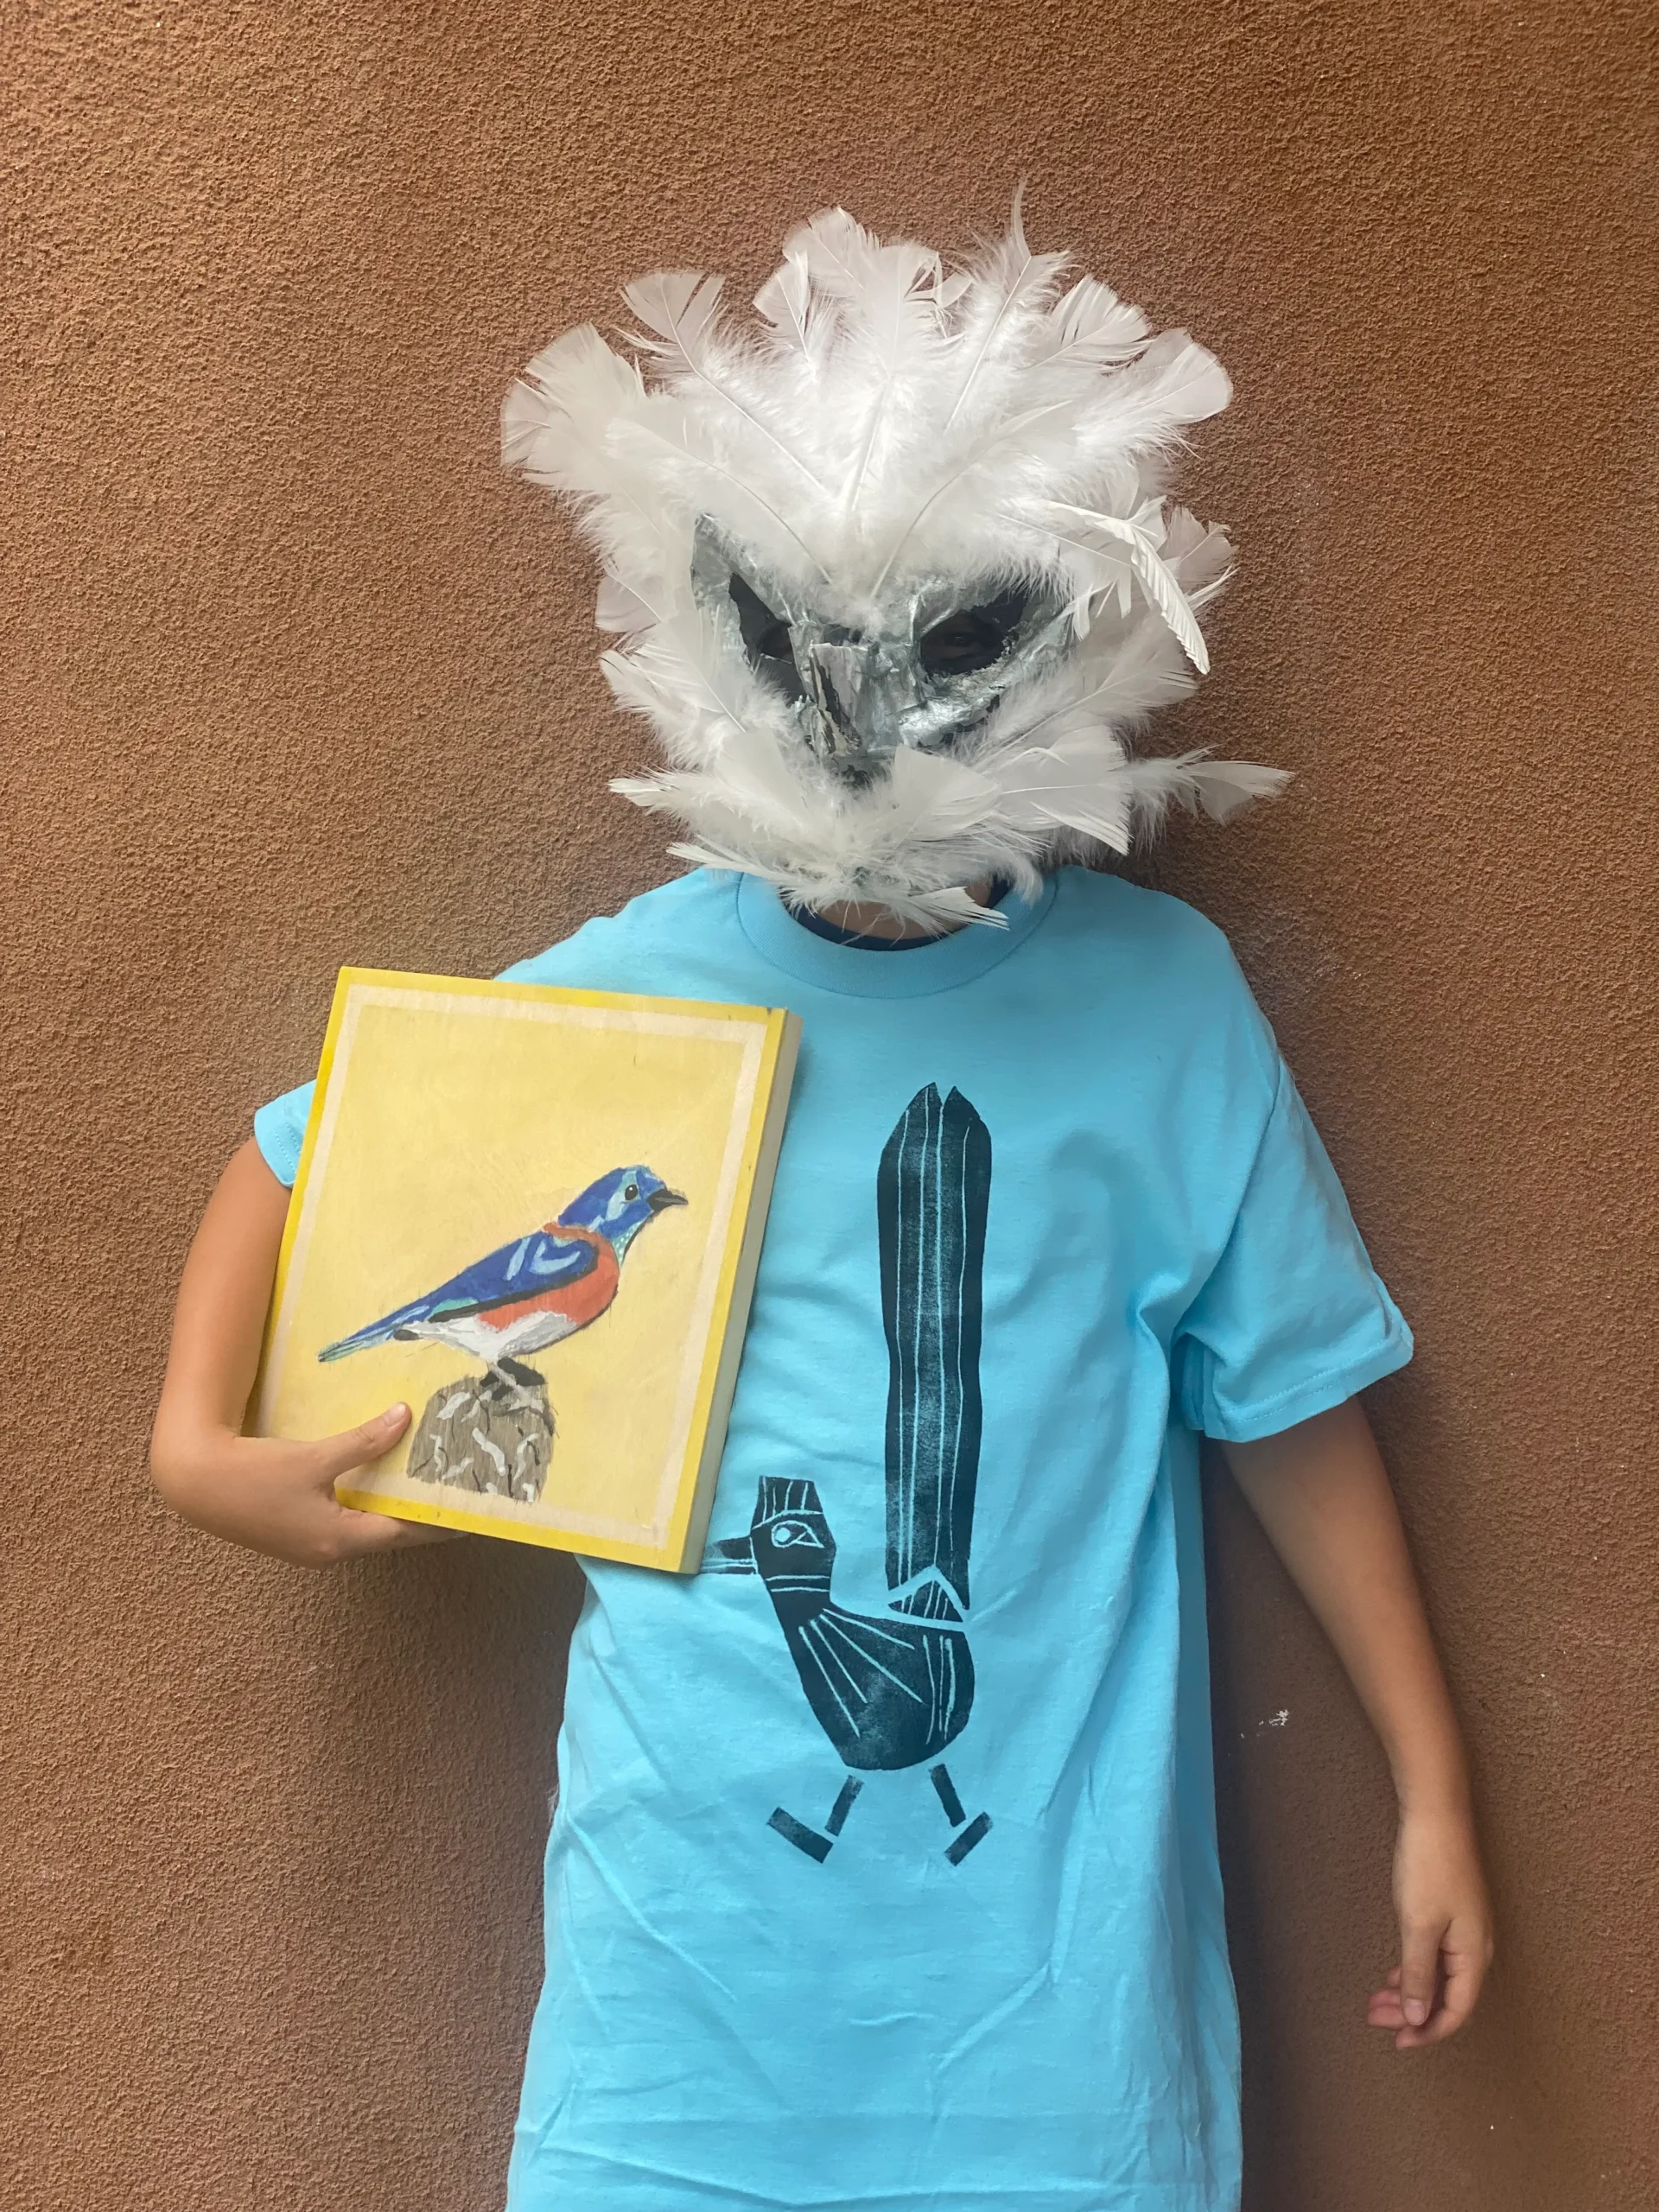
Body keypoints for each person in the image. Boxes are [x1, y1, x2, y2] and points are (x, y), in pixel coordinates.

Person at [150, 206, 1493, 2212]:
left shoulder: (1158, 1010)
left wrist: (1432, 1780)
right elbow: (300, 1144)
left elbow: (1286, 1395)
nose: (869, 719)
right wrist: (195, 1446)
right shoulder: (627, 994)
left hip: (1059, 2063)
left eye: (952, 644)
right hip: (673, 2048)